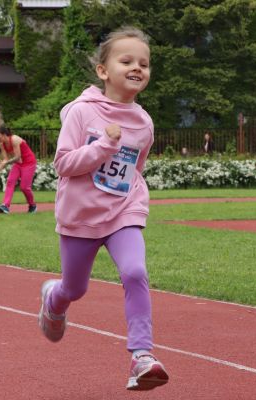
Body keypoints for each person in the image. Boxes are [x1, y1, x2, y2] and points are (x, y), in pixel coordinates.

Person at [37, 27, 169, 391]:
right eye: (126, 60)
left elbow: (135, 169)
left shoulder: (144, 123)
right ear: (102, 71)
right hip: (80, 216)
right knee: (75, 288)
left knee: (135, 271)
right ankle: (54, 298)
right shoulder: (82, 113)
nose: (137, 68)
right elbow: (63, 164)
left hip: (124, 210)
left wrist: (129, 195)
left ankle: (142, 355)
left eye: (144, 63)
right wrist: (103, 147)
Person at [0, 124, 38, 214]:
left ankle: (32, 205)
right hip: (18, 164)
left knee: (24, 187)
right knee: (10, 181)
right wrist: (2, 165)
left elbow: (17, 157)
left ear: (4, 134)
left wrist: (6, 163)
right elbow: (6, 159)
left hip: (29, 163)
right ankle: (5, 206)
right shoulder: (2, 144)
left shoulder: (14, 139)